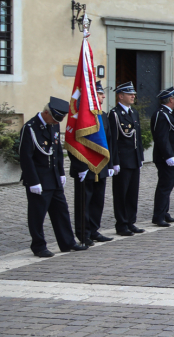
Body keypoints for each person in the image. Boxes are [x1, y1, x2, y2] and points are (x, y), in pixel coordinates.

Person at [20, 97, 86, 257]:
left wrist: (61, 172)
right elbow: (25, 157)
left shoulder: (53, 125)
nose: (57, 123)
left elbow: (57, 151)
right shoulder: (30, 128)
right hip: (39, 179)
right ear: (45, 113)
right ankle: (39, 246)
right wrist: (33, 181)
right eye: (55, 119)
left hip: (54, 177)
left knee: (61, 211)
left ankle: (67, 242)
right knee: (37, 215)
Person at [69, 81, 115, 246]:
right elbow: (73, 142)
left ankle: (94, 230)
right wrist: (79, 166)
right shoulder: (80, 117)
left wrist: (110, 164)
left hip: (101, 164)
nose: (103, 97)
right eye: (100, 94)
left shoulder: (102, 115)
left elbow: (108, 141)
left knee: (98, 200)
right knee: (84, 201)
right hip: (85, 165)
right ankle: (83, 234)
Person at [109, 81, 145, 236]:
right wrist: (114, 162)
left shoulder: (133, 113)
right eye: (130, 94)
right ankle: (122, 224)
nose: (133, 96)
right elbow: (113, 140)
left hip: (134, 159)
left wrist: (140, 156)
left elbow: (138, 138)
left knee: (132, 193)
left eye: (134, 94)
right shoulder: (115, 114)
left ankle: (131, 221)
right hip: (122, 160)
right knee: (121, 194)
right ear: (120, 96)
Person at [151, 87, 174, 227]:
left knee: (168, 187)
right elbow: (161, 138)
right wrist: (168, 155)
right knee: (164, 187)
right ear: (171, 99)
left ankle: (164, 212)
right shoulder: (161, 114)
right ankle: (158, 216)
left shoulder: (169, 113)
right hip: (167, 158)